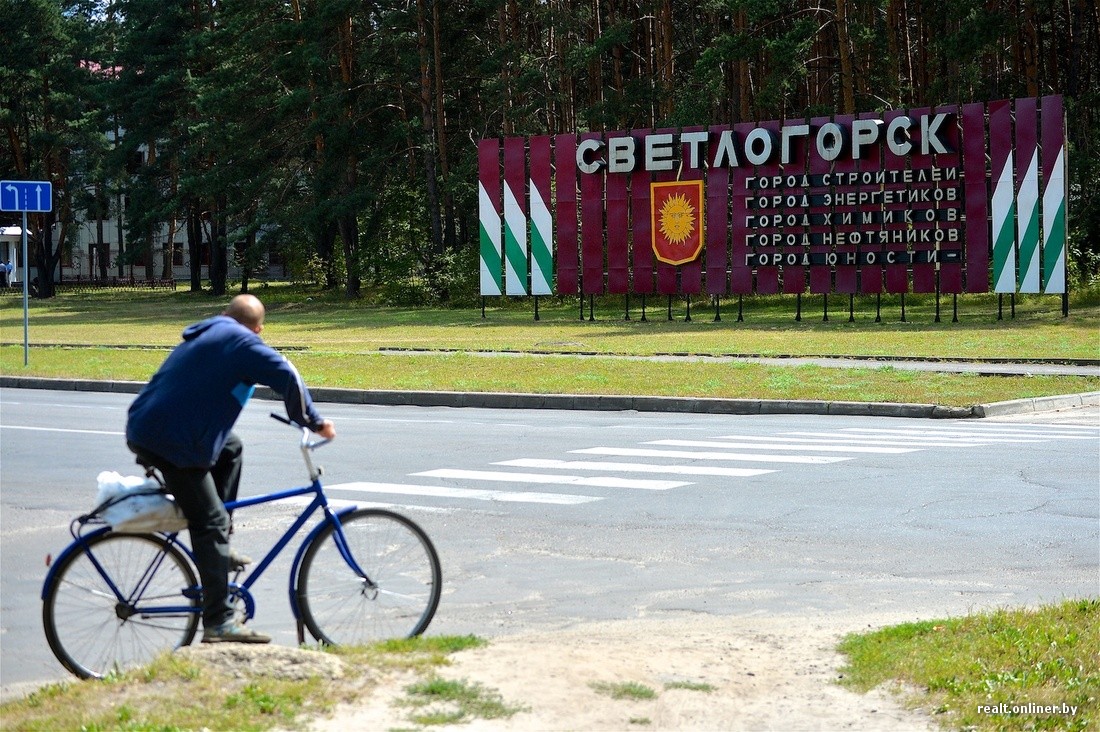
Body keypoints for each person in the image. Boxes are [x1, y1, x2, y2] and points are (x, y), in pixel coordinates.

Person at [126, 294, 336, 643]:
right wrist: (314, 421)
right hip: (172, 440)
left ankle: (220, 548)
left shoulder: (212, 332)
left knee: (231, 448)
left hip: (152, 426)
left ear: (226, 314)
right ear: (258, 329)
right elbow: (285, 371)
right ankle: (219, 621)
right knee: (208, 522)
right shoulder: (242, 342)